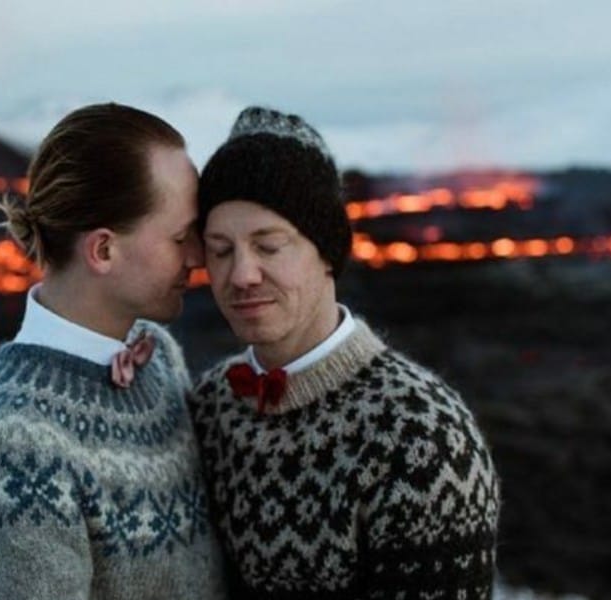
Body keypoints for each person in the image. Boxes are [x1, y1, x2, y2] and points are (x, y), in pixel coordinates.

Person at [188, 106, 500, 599]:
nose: (241, 274)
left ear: (328, 252)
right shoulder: (207, 406)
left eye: (268, 246)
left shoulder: (420, 434)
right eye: (221, 250)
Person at [0, 103, 227, 600]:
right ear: (102, 251)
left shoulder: (155, 355)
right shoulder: (11, 443)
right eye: (181, 238)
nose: (198, 258)